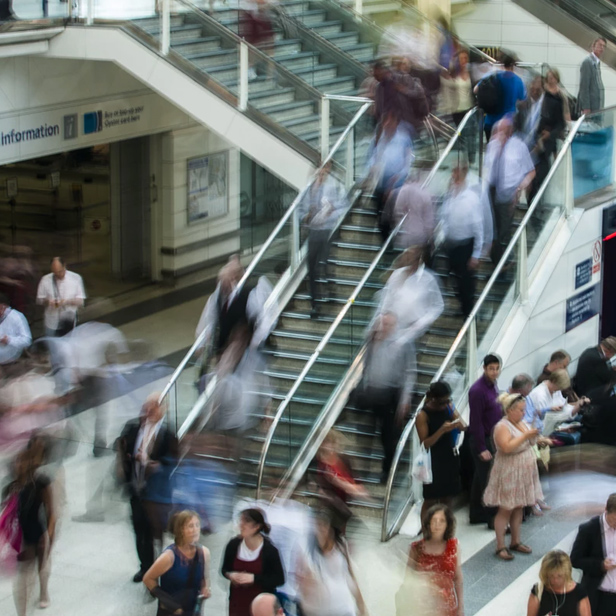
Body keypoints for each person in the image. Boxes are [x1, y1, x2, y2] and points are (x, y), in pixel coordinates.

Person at [117, 393, 179, 582]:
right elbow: (120, 446)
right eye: (148, 404)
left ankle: (158, 568)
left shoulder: (168, 435)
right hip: (136, 489)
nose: (150, 409)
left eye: (156, 405)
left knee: (155, 533)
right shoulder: (133, 428)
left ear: (163, 409)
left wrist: (157, 466)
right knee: (139, 530)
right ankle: (145, 566)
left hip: (156, 495)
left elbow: (173, 463)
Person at [483, 393, 547, 560]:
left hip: (524, 470)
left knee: (519, 506)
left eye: (524, 410)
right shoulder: (501, 427)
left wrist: (538, 439)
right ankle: (500, 545)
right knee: (506, 508)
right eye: (520, 410)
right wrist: (526, 436)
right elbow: (506, 447)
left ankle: (515, 541)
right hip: (509, 470)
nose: (523, 413)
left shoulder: (523, 423)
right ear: (509, 410)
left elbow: (528, 441)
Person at [358, 312, 417, 483]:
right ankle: (364, 469)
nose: (385, 328)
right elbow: (366, 365)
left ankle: (387, 471)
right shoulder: (372, 340)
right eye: (383, 324)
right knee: (367, 430)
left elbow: (409, 372)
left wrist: (405, 399)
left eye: (388, 324)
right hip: (372, 391)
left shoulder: (403, 343)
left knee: (388, 435)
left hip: (391, 393)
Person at [8, 441, 56, 614]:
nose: (18, 465)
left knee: (42, 569)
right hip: (22, 537)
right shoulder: (13, 485)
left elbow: (52, 513)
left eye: (22, 461)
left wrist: (49, 537)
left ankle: (44, 591)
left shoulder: (41, 482)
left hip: (39, 534)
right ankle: (22, 612)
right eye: (16, 461)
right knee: (22, 578)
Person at [296, 508, 366, 616]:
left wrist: (361, 606)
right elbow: (302, 584)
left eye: (323, 527)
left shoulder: (341, 547)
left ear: (330, 529)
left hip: (342, 608)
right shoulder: (306, 550)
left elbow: (351, 577)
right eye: (317, 527)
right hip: (317, 611)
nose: (320, 531)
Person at [484, 117, 535, 264]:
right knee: (493, 231)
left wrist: (520, 188)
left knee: (503, 232)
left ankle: (501, 264)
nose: (500, 133)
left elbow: (531, 172)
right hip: (492, 192)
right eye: (498, 130)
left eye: (503, 130)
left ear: (510, 131)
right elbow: (488, 169)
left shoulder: (519, 147)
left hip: (509, 194)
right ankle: (498, 263)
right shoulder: (492, 145)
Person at [300, 161, 347, 318]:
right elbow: (300, 209)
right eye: (319, 172)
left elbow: (342, 206)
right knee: (312, 267)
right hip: (314, 231)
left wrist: (329, 215)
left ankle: (330, 289)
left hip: (327, 230)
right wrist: (306, 217)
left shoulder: (334, 186)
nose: (321, 175)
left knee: (325, 262)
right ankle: (315, 304)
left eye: (324, 172)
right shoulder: (309, 188)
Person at [143, 510, 211, 616]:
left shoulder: (204, 553)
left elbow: (204, 579)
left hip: (192, 611)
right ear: (181, 530)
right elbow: (148, 579)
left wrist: (205, 588)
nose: (195, 530)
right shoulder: (169, 556)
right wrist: (169, 603)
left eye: (197, 525)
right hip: (171, 612)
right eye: (190, 526)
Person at [416, 382, 466, 522]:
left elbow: (463, 426)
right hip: (433, 460)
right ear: (434, 399)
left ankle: (446, 530)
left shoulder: (448, 408)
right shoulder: (423, 415)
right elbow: (425, 443)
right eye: (443, 401)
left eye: (448, 400)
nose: (446, 403)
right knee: (430, 499)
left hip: (448, 456)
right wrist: (441, 430)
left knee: (447, 496)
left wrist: (454, 413)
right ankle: (426, 533)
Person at [440, 158, 483, 319]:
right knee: (453, 277)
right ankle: (462, 306)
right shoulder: (451, 194)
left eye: (456, 171)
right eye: (453, 171)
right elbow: (444, 216)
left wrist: (476, 254)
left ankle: (469, 312)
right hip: (452, 243)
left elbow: (478, 226)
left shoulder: (471, 198)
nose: (453, 175)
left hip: (466, 244)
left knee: (466, 281)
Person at [222, 508, 285, 616]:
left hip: (261, 607)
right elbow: (224, 569)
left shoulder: (270, 551)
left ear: (257, 526)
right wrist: (231, 575)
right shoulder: (233, 545)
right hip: (237, 603)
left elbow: (279, 579)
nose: (241, 525)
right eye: (241, 521)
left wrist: (254, 579)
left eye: (246, 521)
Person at [375, 245, 444, 344]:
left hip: (414, 332)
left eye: (411, 258)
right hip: (392, 329)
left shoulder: (429, 279)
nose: (408, 261)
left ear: (418, 261)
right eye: (406, 257)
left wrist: (422, 323)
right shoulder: (397, 274)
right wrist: (382, 317)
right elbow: (387, 297)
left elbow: (438, 306)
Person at [408, 505, 464, 616]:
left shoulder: (454, 546)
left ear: (448, 524)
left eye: (442, 521)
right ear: (428, 524)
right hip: (422, 607)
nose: (437, 525)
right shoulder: (416, 548)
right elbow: (408, 578)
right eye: (434, 520)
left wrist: (460, 607)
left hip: (447, 607)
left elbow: (458, 578)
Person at [366, 112, 414, 240]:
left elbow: (408, 161)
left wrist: (399, 177)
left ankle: (391, 238)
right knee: (378, 209)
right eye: (385, 121)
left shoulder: (403, 139)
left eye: (390, 121)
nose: (387, 124)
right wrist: (371, 168)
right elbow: (371, 156)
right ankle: (385, 236)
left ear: (395, 123)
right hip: (379, 181)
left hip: (396, 183)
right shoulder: (379, 138)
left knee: (390, 211)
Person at [467, 353, 502, 526]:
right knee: (488, 480)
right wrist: (482, 447)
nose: (494, 372)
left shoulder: (492, 386)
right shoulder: (478, 390)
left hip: (491, 437)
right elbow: (476, 422)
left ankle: (476, 514)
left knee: (479, 477)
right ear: (484, 369)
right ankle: (492, 518)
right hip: (483, 439)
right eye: (491, 369)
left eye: (497, 369)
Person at [571, 493, 616, 615]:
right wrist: (601, 565)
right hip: (598, 594)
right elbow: (575, 560)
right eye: (614, 520)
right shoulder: (589, 529)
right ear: (606, 510)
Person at [525, 369, 590, 445]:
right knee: (572, 438)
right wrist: (561, 429)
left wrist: (579, 404)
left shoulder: (554, 389)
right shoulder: (540, 396)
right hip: (543, 429)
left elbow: (564, 408)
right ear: (554, 381)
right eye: (558, 388)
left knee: (583, 419)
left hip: (555, 422)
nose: (558, 390)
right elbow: (541, 423)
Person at [479, 52, 527, 142]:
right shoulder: (518, 80)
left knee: (492, 150)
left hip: (490, 122)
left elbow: (476, 89)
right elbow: (523, 100)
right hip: (507, 125)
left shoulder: (493, 76)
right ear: (513, 65)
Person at [528, 550, 591, 616]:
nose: (555, 580)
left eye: (559, 576)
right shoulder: (538, 590)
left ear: (566, 573)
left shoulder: (579, 592)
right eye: (551, 576)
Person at [36, 257, 86, 337]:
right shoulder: (45, 280)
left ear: (64, 266)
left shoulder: (76, 278)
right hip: (51, 321)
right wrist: (48, 302)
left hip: (68, 320)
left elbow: (81, 301)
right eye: (55, 273)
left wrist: (66, 302)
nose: (58, 274)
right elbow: (39, 300)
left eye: (60, 271)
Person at [0, 293, 31, 367]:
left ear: (4, 306)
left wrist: (8, 340)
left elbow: (27, 340)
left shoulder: (16, 316)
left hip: (10, 351)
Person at [578, 37, 606, 115]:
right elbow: (584, 86)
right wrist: (586, 107)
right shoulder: (587, 62)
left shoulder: (597, 63)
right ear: (593, 46)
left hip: (597, 107)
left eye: (604, 46)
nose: (602, 48)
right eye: (600, 45)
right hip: (591, 109)